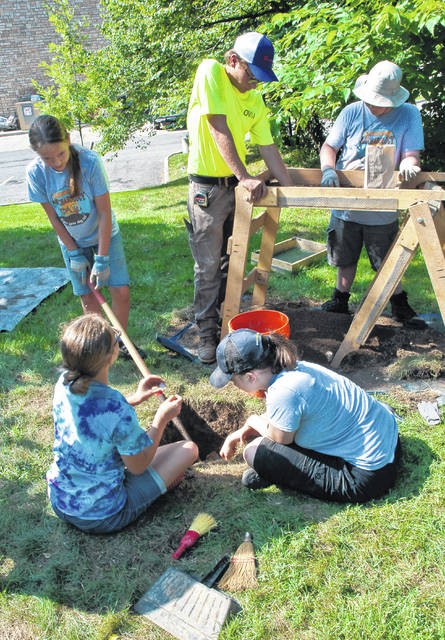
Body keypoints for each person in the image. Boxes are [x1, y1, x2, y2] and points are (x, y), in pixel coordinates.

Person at [186, 32, 293, 364]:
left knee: (230, 260)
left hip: (235, 187)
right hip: (206, 187)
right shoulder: (211, 72)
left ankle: (224, 323)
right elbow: (218, 127)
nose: (255, 85)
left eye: (261, 79)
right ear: (233, 60)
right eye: (251, 75)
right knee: (207, 266)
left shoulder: (255, 101)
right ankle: (205, 334)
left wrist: (291, 189)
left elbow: (269, 149)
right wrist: (247, 177)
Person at [47, 314, 199, 534]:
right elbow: (138, 466)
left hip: (61, 501)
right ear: (112, 354)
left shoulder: (64, 383)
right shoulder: (116, 409)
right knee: (188, 450)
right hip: (103, 516)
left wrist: (136, 398)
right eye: (115, 338)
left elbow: (92, 413)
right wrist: (161, 419)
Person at [210, 328, 400, 503]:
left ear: (251, 377)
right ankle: (278, 473)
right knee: (267, 446)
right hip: (388, 442)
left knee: (253, 451)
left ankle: (278, 474)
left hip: (366, 476)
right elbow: (283, 414)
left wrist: (252, 420)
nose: (235, 386)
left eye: (234, 382)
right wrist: (241, 431)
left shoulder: (284, 392)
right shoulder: (291, 367)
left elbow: (281, 438)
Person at [26, 114, 145, 359]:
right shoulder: (36, 173)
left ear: (68, 140)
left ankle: (118, 342)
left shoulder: (90, 163)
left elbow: (104, 212)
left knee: (120, 291)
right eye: (47, 158)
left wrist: (101, 258)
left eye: (60, 154)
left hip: (104, 236)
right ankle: (98, 350)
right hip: (72, 242)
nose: (56, 162)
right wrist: (73, 252)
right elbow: (54, 218)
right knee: (89, 299)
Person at [319, 60, 425, 326]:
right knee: (345, 255)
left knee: (386, 259)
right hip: (347, 203)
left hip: (382, 204)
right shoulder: (352, 112)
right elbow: (329, 148)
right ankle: (340, 299)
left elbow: (412, 155)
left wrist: (408, 165)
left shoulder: (409, 114)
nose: (374, 104)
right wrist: (328, 170)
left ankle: (399, 304)